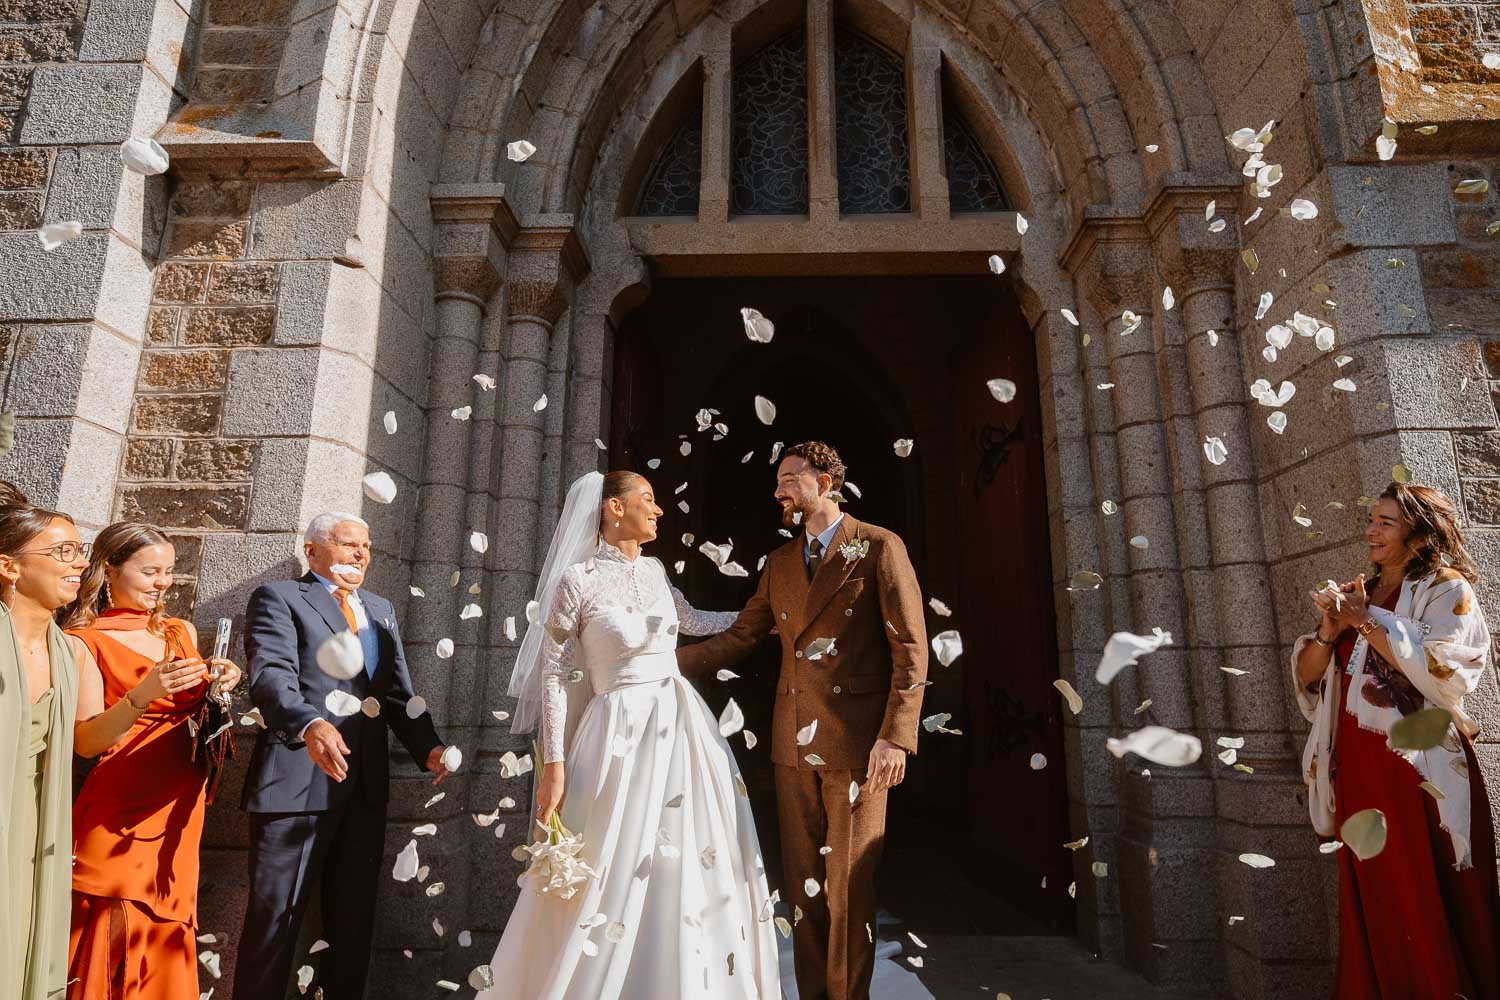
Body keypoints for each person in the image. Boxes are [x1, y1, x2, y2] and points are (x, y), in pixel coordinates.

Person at [479, 471, 781, 999]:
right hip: (614, 733)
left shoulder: (659, 571)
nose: (658, 510)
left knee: (688, 855)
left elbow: (693, 619)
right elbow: (553, 673)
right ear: (613, 509)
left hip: (682, 729)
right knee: (612, 856)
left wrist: (765, 618)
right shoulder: (577, 581)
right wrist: (555, 764)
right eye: (648, 499)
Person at [677, 440, 929, 1000]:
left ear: (827, 481)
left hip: (860, 745)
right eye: (777, 481)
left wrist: (895, 737)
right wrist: (655, 666)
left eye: (789, 478)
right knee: (805, 889)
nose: (778, 490)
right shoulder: (780, 563)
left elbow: (911, 649)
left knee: (848, 888)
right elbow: (742, 636)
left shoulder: (878, 547)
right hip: (792, 744)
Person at [234, 512, 453, 1000]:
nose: (361, 554)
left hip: (364, 789)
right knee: (275, 924)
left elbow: (396, 692)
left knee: (352, 925)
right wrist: (310, 723)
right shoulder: (281, 598)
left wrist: (430, 747)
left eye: (367, 546)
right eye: (348, 544)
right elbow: (270, 676)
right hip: (297, 782)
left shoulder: (380, 609)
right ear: (311, 550)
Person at [1293, 482, 1500, 998]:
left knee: (1421, 891)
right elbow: (1307, 675)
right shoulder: (1356, 593)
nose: (1370, 530)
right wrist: (1328, 629)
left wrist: (1364, 621)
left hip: (1416, 769)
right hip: (1360, 770)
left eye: (1385, 522)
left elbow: (1446, 670)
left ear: (1418, 532)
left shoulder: (1445, 589)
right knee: (1379, 893)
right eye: (1370, 519)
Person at [61, 521, 242, 999]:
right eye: (150, 571)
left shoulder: (179, 630)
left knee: (165, 924)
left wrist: (222, 682)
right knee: (113, 928)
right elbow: (85, 741)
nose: (163, 583)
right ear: (109, 570)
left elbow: (194, 712)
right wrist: (143, 694)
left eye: (168, 572)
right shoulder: (83, 641)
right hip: (118, 808)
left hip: (178, 813)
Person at [0, 505, 84, 1000]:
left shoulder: (68, 651)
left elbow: (89, 736)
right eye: (62, 551)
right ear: (10, 566)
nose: (77, 563)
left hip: (38, 815)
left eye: (79, 551)